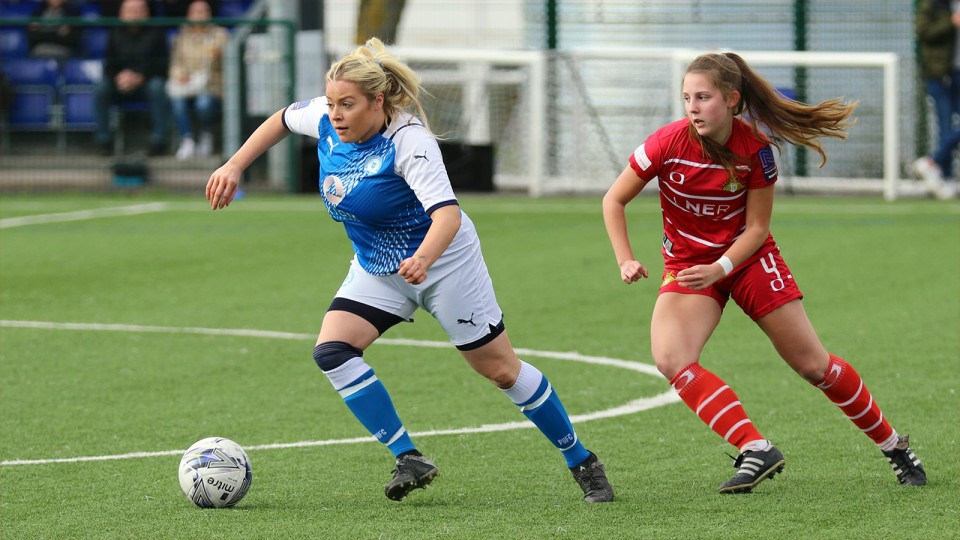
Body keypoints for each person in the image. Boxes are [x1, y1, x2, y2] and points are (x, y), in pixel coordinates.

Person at [204, 38, 615, 503]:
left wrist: (423, 258)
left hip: (444, 265)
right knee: (333, 351)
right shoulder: (324, 117)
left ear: (378, 101)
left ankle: (582, 461)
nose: (336, 114)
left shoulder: (409, 142)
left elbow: (447, 215)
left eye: (348, 105)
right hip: (378, 266)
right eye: (333, 103)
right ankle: (408, 456)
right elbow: (281, 118)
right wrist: (235, 164)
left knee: (500, 370)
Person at [601, 52, 927, 494]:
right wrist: (626, 258)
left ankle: (894, 447)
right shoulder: (665, 144)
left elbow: (757, 229)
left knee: (815, 366)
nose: (692, 107)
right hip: (689, 267)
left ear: (732, 99)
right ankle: (755, 448)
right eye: (686, 98)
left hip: (748, 261)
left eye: (703, 97)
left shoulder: (755, 150)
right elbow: (613, 200)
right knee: (671, 359)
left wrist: (720, 266)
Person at [93, 0, 170, 157]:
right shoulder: (115, 32)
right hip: (120, 83)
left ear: (146, 13)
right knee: (101, 89)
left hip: (146, 82)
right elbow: (109, 64)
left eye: (139, 10)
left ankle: (159, 140)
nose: (135, 14)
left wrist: (140, 77)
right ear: (122, 14)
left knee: (157, 87)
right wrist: (119, 77)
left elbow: (162, 65)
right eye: (130, 10)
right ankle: (104, 141)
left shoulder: (157, 32)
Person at [167, 0, 228, 159]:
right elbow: (175, 63)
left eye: (204, 11)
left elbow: (227, 65)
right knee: (178, 102)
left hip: (212, 84)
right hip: (186, 84)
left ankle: (206, 134)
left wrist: (218, 57)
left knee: (204, 103)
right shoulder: (182, 36)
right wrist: (180, 75)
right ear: (189, 15)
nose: (201, 15)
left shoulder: (220, 35)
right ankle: (187, 139)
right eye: (196, 11)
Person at [913, 0, 960, 200]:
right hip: (940, 74)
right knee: (945, 125)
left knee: (949, 127)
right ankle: (946, 177)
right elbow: (923, 32)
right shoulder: (933, 4)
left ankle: (932, 162)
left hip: (957, 75)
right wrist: (951, 22)